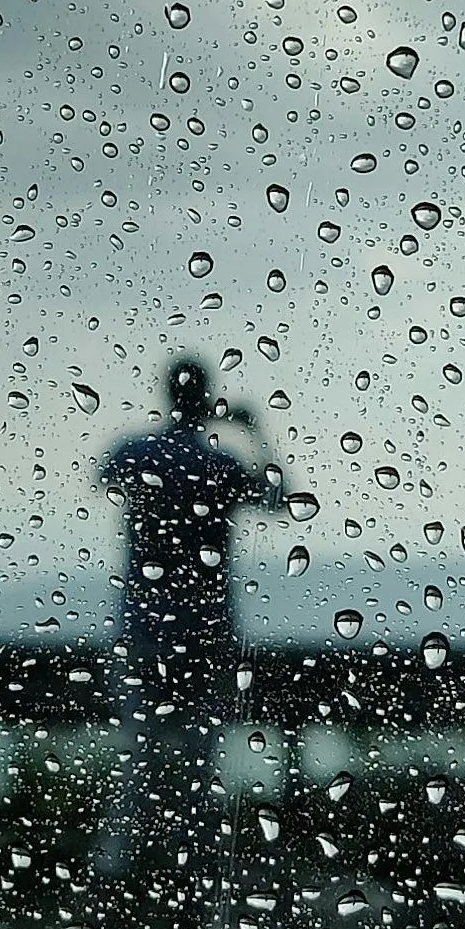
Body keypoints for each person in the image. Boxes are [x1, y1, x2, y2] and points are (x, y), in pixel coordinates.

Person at [90, 354, 285, 891]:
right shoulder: (220, 466)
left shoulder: (135, 453)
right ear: (207, 398)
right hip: (206, 630)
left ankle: (122, 865)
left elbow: (102, 475)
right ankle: (192, 863)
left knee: (139, 748)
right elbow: (279, 499)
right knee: (201, 754)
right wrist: (253, 432)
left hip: (144, 628)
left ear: (166, 394)